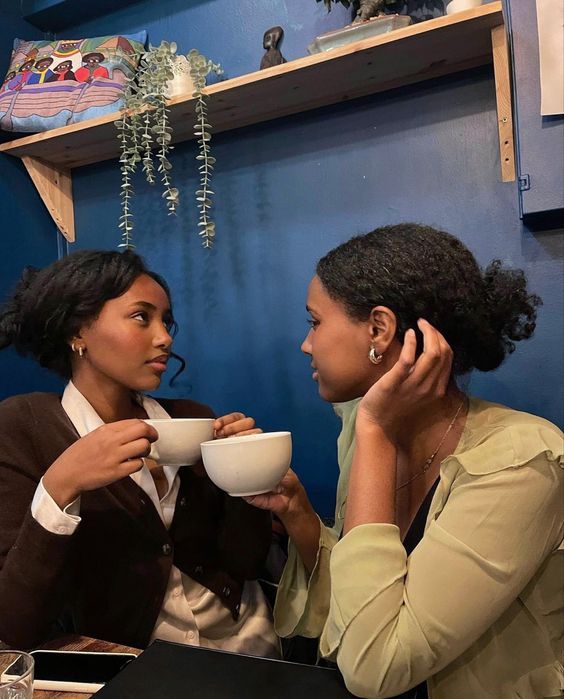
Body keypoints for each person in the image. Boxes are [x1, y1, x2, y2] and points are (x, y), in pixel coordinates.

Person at [248, 223, 563, 698]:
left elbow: (376, 668)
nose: (306, 344)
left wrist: (377, 431)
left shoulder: (520, 461)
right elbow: (368, 601)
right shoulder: (358, 421)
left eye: (314, 321)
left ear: (379, 328)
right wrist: (302, 521)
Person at [0, 249, 279, 658]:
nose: (164, 336)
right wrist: (60, 487)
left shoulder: (193, 418)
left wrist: (245, 477)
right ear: (78, 331)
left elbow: (246, 562)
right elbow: (15, 623)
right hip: (135, 665)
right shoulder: (24, 426)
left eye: (166, 320)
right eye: (141, 317)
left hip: (245, 643)